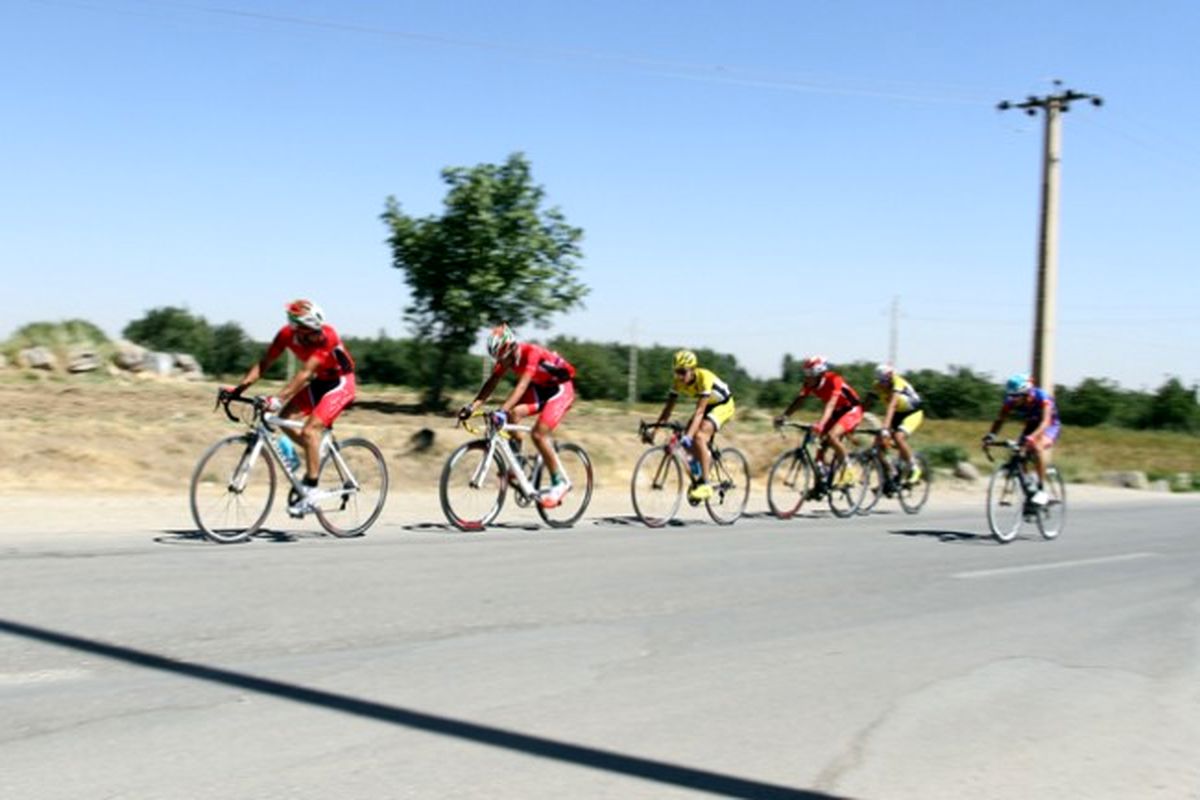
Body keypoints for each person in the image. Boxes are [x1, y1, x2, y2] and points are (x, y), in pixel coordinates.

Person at [228, 299, 356, 513]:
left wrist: (277, 398)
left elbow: (305, 373)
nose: (306, 335)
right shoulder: (286, 335)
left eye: (307, 330)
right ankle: (313, 451)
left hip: (341, 383)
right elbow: (264, 364)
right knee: (286, 420)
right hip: (320, 383)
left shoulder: (328, 337)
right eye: (300, 329)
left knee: (309, 430)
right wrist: (238, 390)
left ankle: (312, 491)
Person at [457, 324, 577, 509]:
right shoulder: (506, 358)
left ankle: (559, 483)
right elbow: (492, 382)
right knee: (514, 414)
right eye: (497, 357)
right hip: (542, 389)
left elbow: (521, 387)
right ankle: (518, 461)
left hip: (561, 389)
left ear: (512, 346)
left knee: (538, 434)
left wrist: (501, 411)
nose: (501, 361)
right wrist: (472, 407)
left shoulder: (531, 353)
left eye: (502, 356)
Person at [646, 350, 736, 502]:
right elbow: (668, 409)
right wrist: (655, 431)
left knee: (698, 436)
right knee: (684, 439)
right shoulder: (678, 382)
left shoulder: (704, 378)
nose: (679, 376)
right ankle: (703, 466)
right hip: (707, 405)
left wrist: (689, 436)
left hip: (723, 404)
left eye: (682, 372)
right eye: (676, 372)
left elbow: (700, 411)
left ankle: (706, 485)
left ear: (693, 369)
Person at [774, 355, 863, 484]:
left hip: (851, 410)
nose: (807, 377)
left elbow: (831, 404)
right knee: (821, 444)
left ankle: (849, 470)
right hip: (836, 412)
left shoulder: (834, 379)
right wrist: (784, 416)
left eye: (811, 374)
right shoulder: (809, 384)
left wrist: (821, 424)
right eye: (806, 373)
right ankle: (820, 482)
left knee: (832, 436)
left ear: (820, 373)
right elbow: (799, 400)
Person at [983, 372, 1060, 505]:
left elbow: (1045, 422)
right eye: (1011, 396)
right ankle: (1029, 487)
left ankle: (1041, 490)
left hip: (1049, 426)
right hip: (1031, 425)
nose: (1013, 399)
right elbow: (1000, 419)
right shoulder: (1011, 401)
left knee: (1036, 447)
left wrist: (1033, 438)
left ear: (1027, 392)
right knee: (1018, 451)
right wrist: (991, 436)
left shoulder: (1042, 397)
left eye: (1016, 396)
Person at [869, 364, 925, 483]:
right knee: (877, 445)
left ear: (890, 377)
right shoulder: (877, 386)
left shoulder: (898, 383)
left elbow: (892, 405)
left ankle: (914, 468)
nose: (882, 384)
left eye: (884, 381)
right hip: (897, 414)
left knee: (898, 437)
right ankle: (891, 473)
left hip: (912, 413)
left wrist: (885, 428)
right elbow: (869, 401)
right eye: (880, 381)